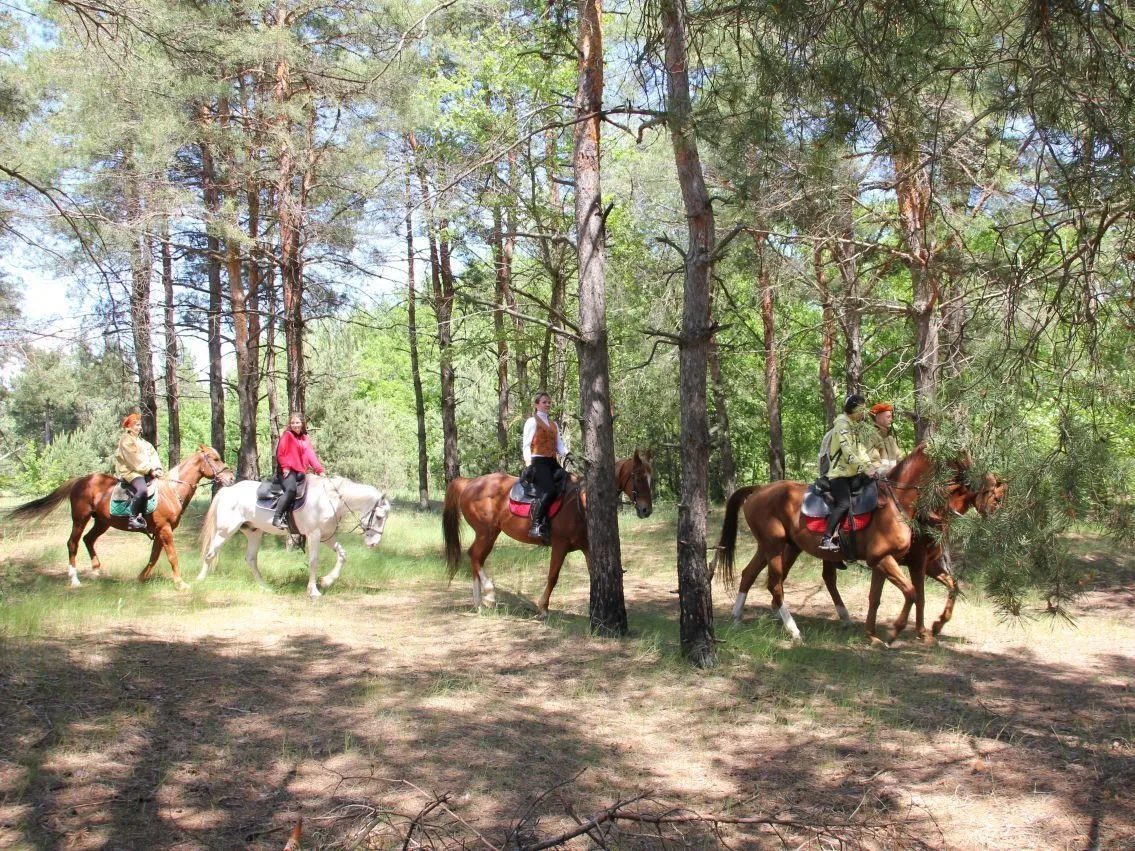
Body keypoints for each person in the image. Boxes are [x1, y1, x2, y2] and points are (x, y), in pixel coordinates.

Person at [818, 394, 876, 553]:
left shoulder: (853, 426)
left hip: (853, 474)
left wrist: (870, 466)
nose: (863, 413)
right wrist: (864, 469)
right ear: (853, 409)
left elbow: (861, 450)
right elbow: (848, 452)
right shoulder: (842, 426)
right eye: (861, 410)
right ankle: (826, 538)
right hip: (839, 475)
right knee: (844, 503)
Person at [521, 391, 568, 544]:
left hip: (552, 461)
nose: (547, 404)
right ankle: (535, 525)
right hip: (538, 462)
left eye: (549, 402)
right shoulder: (532, 422)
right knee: (549, 490)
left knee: (568, 481)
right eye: (544, 402)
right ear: (536, 405)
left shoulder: (554, 424)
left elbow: (559, 445)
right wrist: (528, 464)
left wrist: (568, 454)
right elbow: (526, 445)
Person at [273, 413, 325, 529]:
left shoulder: (305, 438)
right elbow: (280, 453)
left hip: (300, 472)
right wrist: (285, 467)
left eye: (297, 422)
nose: (295, 425)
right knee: (291, 489)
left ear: (302, 424)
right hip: (286, 471)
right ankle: (277, 518)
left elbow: (311, 456)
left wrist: (319, 470)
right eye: (292, 423)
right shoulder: (287, 435)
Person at [115, 413, 163, 531]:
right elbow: (133, 459)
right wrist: (150, 470)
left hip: (144, 471)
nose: (140, 427)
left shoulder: (143, 442)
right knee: (142, 489)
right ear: (129, 426)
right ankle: (132, 519)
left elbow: (153, 454)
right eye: (137, 425)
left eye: (140, 425)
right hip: (131, 471)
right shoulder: (126, 439)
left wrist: (157, 468)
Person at [865, 402, 903, 474]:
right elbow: (873, 462)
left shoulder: (890, 439)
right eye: (888, 417)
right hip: (878, 479)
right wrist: (887, 472)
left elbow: (900, 458)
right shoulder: (871, 437)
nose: (891, 420)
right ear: (878, 419)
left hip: (892, 478)